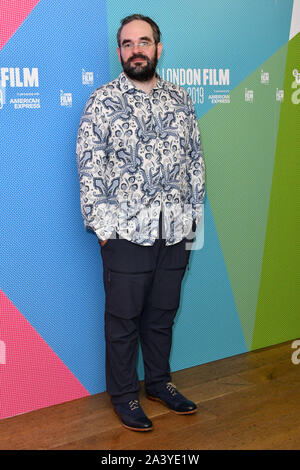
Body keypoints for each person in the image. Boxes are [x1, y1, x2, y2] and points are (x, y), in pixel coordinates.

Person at [76, 14, 205, 432]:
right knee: (124, 320)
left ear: (158, 48)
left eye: (144, 42)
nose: (136, 50)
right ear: (120, 52)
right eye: (128, 43)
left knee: (163, 313)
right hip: (126, 233)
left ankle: (159, 383)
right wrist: (103, 228)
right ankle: (124, 395)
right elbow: (89, 167)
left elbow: (195, 162)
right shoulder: (102, 101)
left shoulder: (181, 99)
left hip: (175, 229)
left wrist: (192, 219)